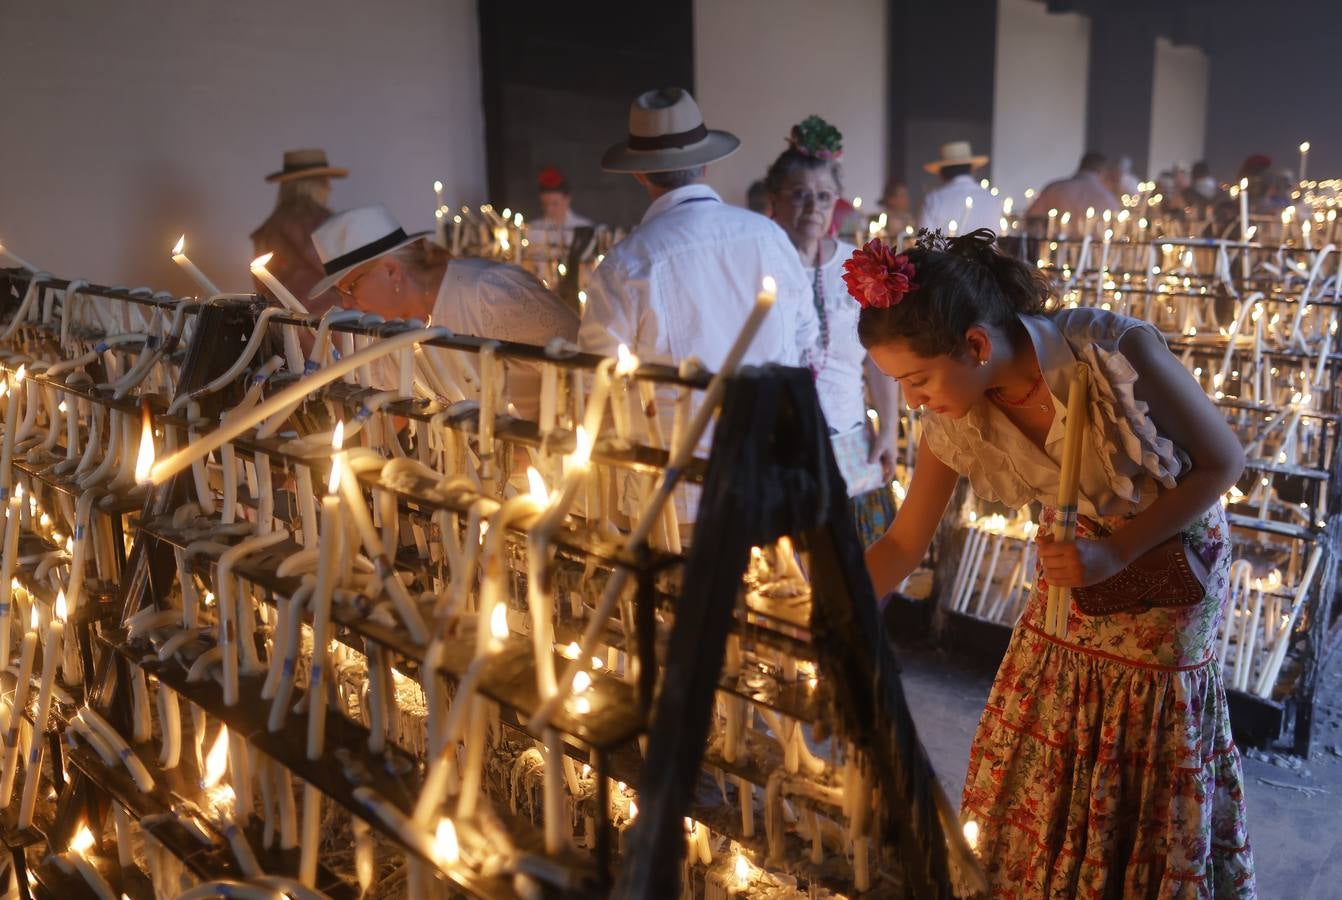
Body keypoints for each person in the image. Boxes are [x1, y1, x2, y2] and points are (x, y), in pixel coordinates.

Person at [852, 229, 1255, 896]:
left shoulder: (1110, 352)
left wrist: (1119, 550)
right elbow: (901, 543)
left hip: (1167, 564)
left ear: (976, 345)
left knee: (1133, 736)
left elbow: (1224, 464)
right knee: (1047, 710)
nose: (915, 401)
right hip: (1074, 563)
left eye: (917, 380)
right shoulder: (957, 416)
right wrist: (832, 606)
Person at [581, 87, 818, 410]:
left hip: (673, 450)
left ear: (638, 174)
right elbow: (806, 334)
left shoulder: (624, 264)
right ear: (705, 166)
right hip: (770, 439)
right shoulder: (769, 236)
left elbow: (596, 379)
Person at [765, 115, 901, 545]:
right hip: (778, 450)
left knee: (864, 581)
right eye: (800, 195)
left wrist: (889, 429)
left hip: (850, 442)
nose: (812, 207)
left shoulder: (857, 266)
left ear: (836, 201)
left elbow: (878, 357)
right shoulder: (758, 263)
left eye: (823, 196)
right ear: (775, 199)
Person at [309, 203, 578, 419]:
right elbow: (390, 412)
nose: (345, 304)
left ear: (391, 271)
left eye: (350, 287)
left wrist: (532, 444)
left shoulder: (487, 292)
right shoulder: (383, 331)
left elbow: (580, 369)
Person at [250, 149, 347, 316]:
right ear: (315, 185)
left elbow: (261, 284)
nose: (330, 188)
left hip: (279, 319)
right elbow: (346, 277)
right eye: (326, 181)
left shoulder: (267, 229)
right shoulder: (326, 224)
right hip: (327, 321)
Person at [917, 142, 999, 234]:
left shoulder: (933, 199)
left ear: (941, 173)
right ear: (972, 169)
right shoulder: (992, 199)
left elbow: (924, 241)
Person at [1026, 151, 1121, 222]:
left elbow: (1031, 218)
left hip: (1053, 245)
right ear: (1103, 171)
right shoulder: (1108, 198)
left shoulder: (1054, 188)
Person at [528, 166, 594, 262]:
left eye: (554, 204)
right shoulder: (533, 229)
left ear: (567, 199)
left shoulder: (584, 228)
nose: (548, 209)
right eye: (544, 204)